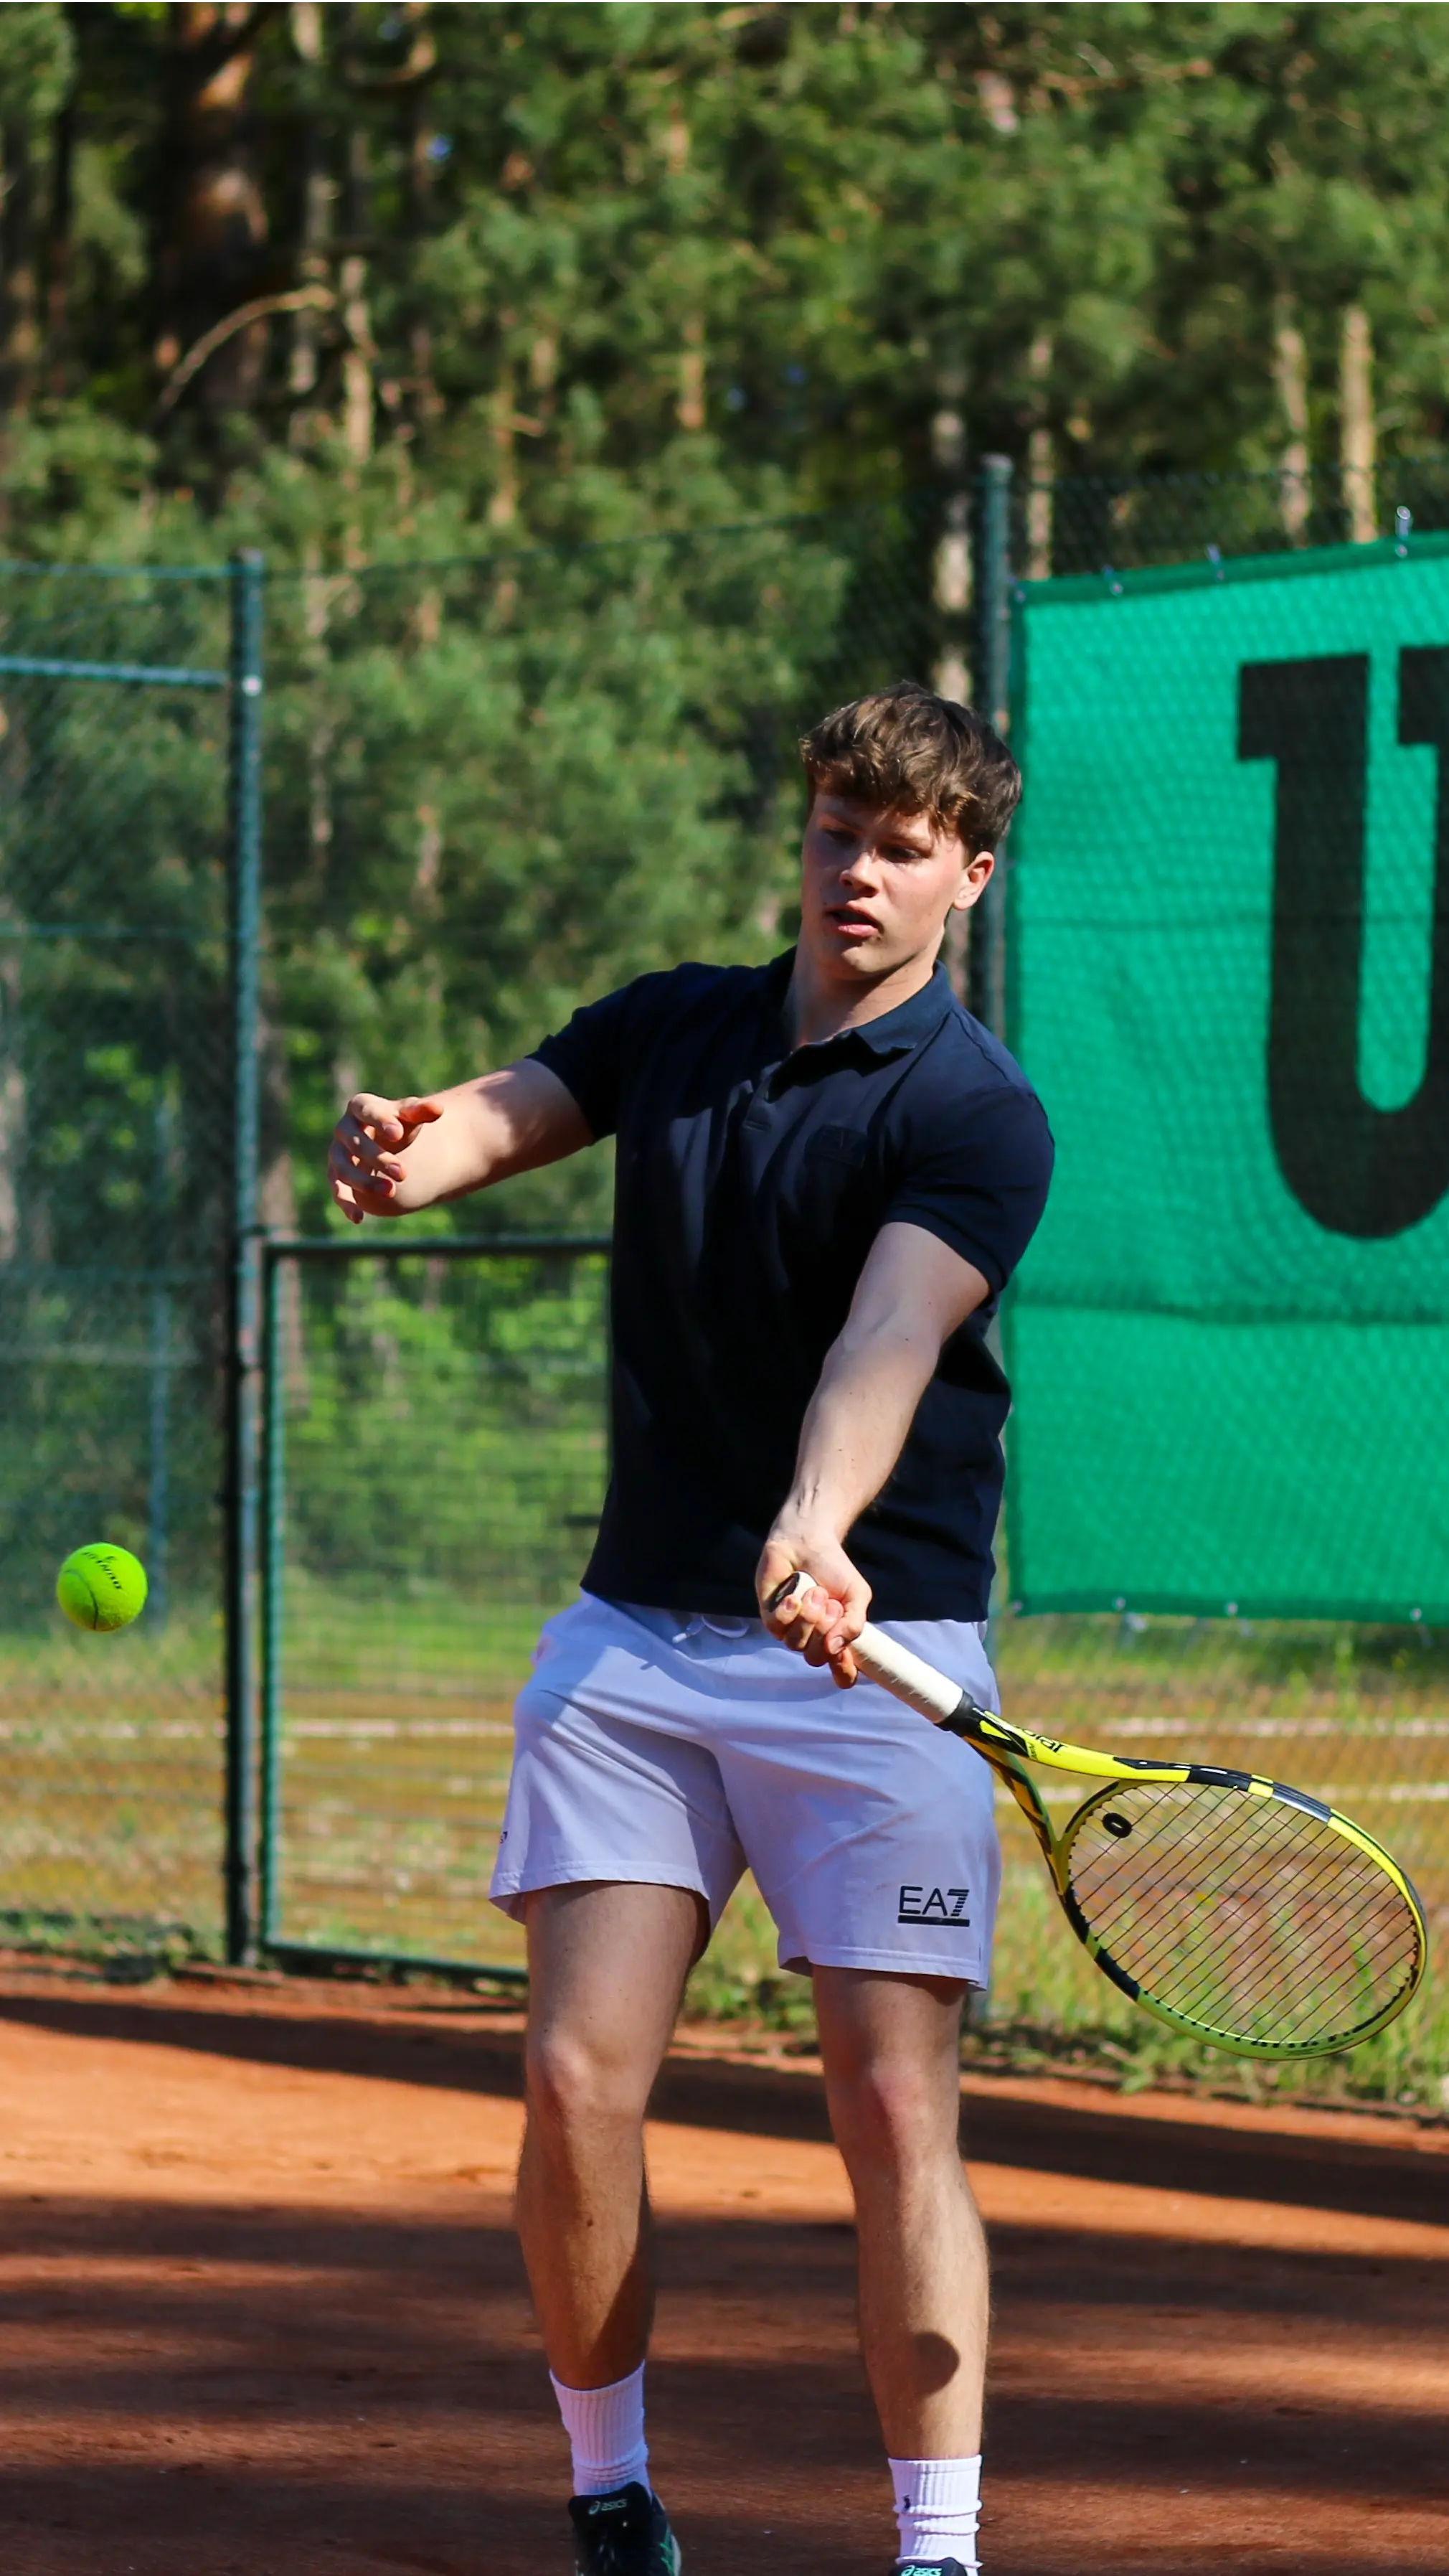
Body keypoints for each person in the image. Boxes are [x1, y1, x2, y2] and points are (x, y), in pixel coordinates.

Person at [327, 680, 1054, 2576]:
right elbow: (500, 1116)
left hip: (877, 1660)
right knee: (575, 2079)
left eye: (901, 847)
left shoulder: (976, 1112)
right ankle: (609, 2489)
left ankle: (936, 2547)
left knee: (891, 2101)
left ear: (967, 875)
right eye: (834, 832)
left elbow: (884, 1342)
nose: (855, 873)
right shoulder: (675, 1025)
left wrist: (816, 1530)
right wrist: (409, 1150)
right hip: (633, 1649)